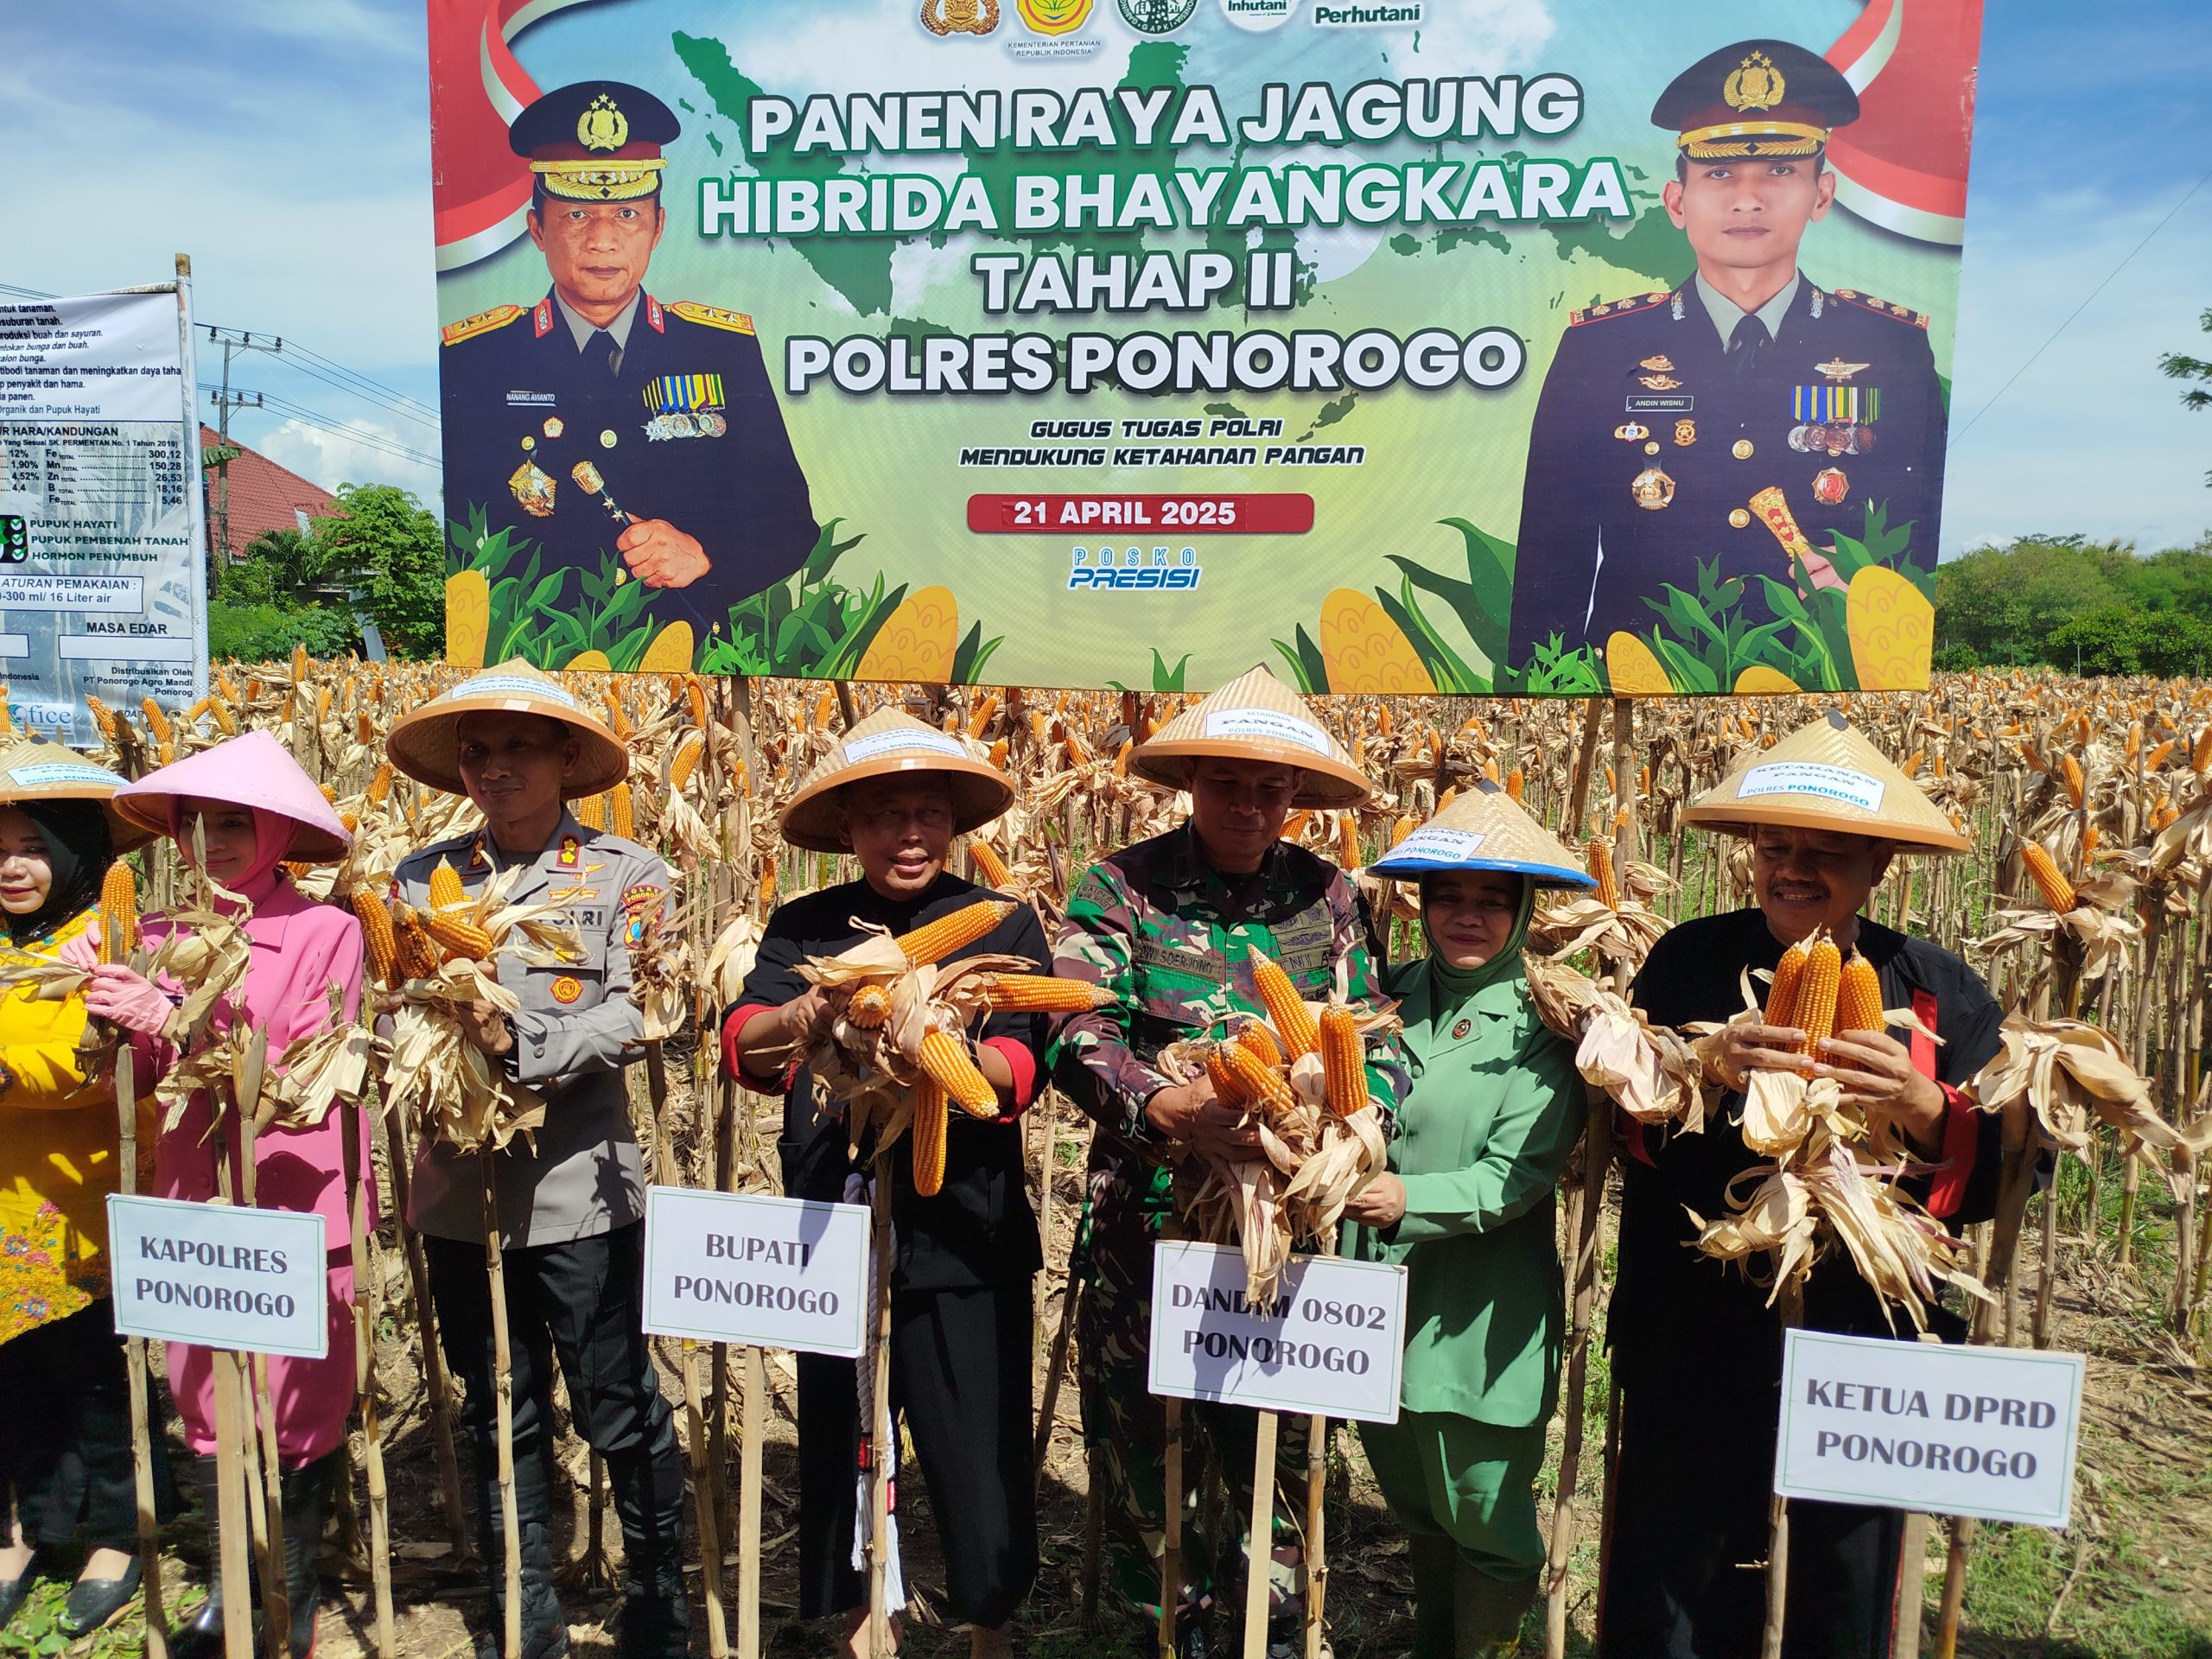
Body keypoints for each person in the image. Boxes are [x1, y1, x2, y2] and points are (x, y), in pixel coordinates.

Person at [1602, 712, 2005, 1659]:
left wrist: (1924, 1106)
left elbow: (2000, 1177)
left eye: (1828, 852)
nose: (1794, 869)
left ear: (1877, 868)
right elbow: (1623, 1132)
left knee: (1841, 1585)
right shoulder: (1687, 961)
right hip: (1696, 1325)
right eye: (1774, 846)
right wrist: (1700, 1072)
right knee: (1674, 1582)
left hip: (1862, 1339)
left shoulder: (1943, 991)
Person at [1050, 664, 1409, 1659]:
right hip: (1150, 1219)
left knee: (1279, 1454)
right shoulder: (1119, 887)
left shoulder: (1328, 895)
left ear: (1294, 796)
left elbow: (1372, 1038)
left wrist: (1341, 1121)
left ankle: (1271, 1633)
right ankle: (1163, 1628)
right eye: (1228, 783)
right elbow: (1075, 1029)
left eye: (1272, 788)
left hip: (1287, 1232)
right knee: (1147, 1451)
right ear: (1193, 782)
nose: (1250, 805)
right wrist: (1167, 1105)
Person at [721, 709, 1046, 1659]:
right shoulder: (806, 927)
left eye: (926, 814)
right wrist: (818, 1010)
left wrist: (932, 1049)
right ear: (850, 829)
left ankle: (989, 1621)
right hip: (838, 1215)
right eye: (884, 815)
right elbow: (745, 1047)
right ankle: (864, 1615)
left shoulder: (1003, 921)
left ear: (950, 826)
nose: (908, 834)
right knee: (843, 1424)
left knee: (976, 1430)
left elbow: (1016, 1074)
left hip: (965, 1222)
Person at [385, 659, 688, 1659]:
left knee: (616, 1403)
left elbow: (646, 1011)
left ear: (567, 758)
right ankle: (528, 1606)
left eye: (520, 746)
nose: (495, 765)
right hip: (457, 1200)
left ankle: (656, 1596)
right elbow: (388, 1012)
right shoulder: (417, 879)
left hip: (577, 1195)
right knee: (495, 1405)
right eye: (478, 749)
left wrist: (520, 1042)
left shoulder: (628, 877)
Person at [1506, 38, 1948, 670]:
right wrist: (1538, 688)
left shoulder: (1890, 348)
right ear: (1677, 201)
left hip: (1824, 666)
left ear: (1822, 194)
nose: (1749, 198)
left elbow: (1918, 526)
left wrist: (1872, 598)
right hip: (1642, 674)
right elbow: (1554, 549)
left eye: (1780, 171)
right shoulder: (1600, 348)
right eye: (1719, 174)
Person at [95, 730, 366, 1659]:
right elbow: (146, 1078)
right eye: (195, 823)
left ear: (276, 830)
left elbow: (296, 1068)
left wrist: (172, 1016)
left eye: (232, 822)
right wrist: (112, 1033)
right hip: (194, 1196)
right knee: (203, 1393)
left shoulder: (329, 932)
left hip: (295, 1198)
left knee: (298, 1402)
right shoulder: (163, 935)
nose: (211, 840)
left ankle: (290, 1588)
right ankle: (225, 1588)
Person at [1344, 785, 1595, 1659]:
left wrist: (1404, 1199)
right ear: (1420, 903)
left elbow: (1516, 1176)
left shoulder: (1543, 1021)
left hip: (1480, 1311)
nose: (1468, 916)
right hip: (1371, 1303)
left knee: (1485, 1513)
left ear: (1524, 911)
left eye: (1494, 901)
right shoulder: (1380, 995)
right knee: (1415, 1503)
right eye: (1449, 895)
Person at [440, 79, 820, 642]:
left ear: (658, 228)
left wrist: (705, 554)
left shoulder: (721, 351)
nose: (602, 240)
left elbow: (790, 523)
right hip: (529, 659)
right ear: (537, 229)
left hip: (683, 660)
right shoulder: (475, 359)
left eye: (625, 214)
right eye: (575, 216)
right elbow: (448, 528)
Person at [0, 740, 175, 1637]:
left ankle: (114, 1537)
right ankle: (26, 1531)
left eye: (31, 846)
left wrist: (7, 1075)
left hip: (80, 1206)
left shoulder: (106, 943)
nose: (12, 867)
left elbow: (103, 1062)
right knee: (11, 1377)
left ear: (73, 849)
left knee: (93, 1378)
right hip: (2, 1203)